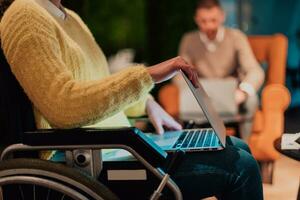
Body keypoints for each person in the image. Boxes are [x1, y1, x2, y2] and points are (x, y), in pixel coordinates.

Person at [0, 0, 263, 199]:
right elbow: (63, 105)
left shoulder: (71, 19)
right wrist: (146, 77)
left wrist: (146, 102)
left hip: (117, 144)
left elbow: (95, 83)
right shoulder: (25, 14)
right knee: (241, 167)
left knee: (237, 146)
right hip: (86, 161)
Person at [176, 0, 265, 141]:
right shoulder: (189, 40)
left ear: (222, 17)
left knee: (252, 99)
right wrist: (193, 90)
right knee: (185, 101)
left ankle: (244, 147)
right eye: (203, 21)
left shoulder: (236, 37)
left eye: (213, 20)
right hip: (202, 90)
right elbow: (179, 74)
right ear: (196, 20)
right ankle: (193, 149)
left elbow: (255, 71)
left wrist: (242, 91)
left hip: (232, 92)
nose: (209, 25)